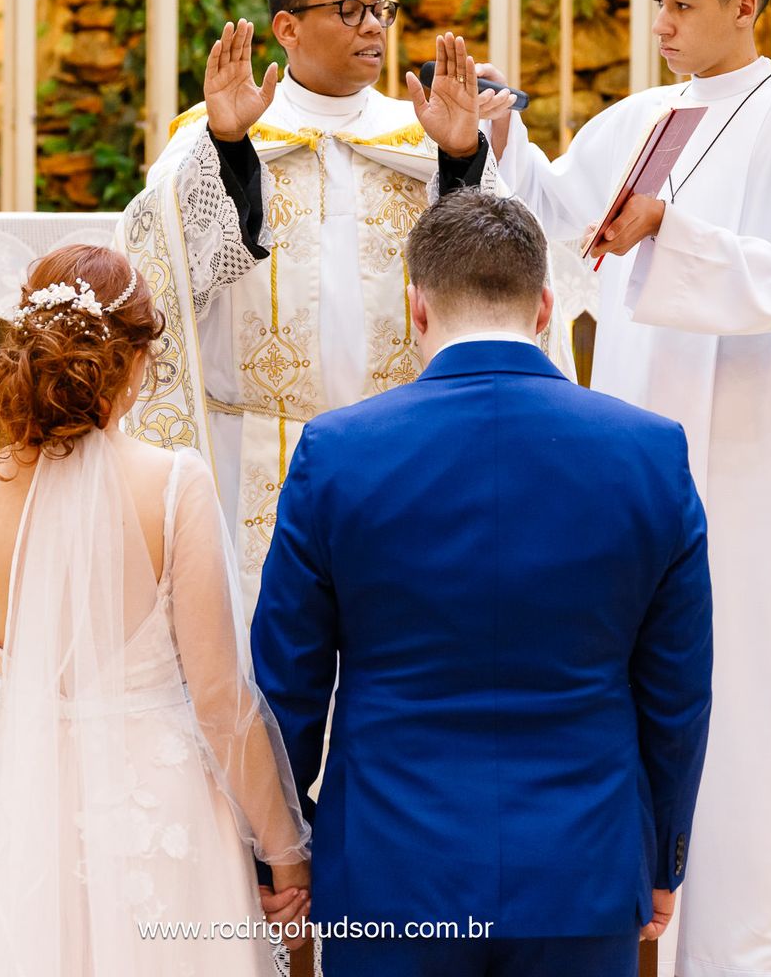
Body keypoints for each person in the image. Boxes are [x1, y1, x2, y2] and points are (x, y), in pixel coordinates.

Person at [484, 0, 771, 977]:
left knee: (733, 695)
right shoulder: (640, 117)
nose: (662, 25)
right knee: (636, 676)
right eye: (656, 3)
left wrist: (674, 234)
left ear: (749, 5)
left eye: (682, 5)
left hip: (740, 454)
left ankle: (743, 948)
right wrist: (502, 138)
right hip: (637, 440)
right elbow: (559, 228)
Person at [251, 190, 715, 977]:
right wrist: (661, 855)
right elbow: (677, 693)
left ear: (416, 307)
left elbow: (287, 685)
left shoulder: (337, 453)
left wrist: (279, 855)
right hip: (585, 864)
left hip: (391, 870)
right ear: (545, 305)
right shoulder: (648, 453)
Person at [0, 245, 311, 976]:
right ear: (131, 363)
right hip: (164, 821)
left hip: (22, 826)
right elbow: (222, 704)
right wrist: (286, 853)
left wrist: (7, 802)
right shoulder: (172, 486)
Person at [117, 0, 541, 611]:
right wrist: (229, 149)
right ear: (287, 26)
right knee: (264, 647)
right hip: (259, 448)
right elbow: (175, 272)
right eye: (349, 10)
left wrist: (462, 156)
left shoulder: (426, 132)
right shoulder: (220, 131)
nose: (373, 25)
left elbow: (490, 273)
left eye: (381, 10)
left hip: (404, 442)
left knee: (397, 628)